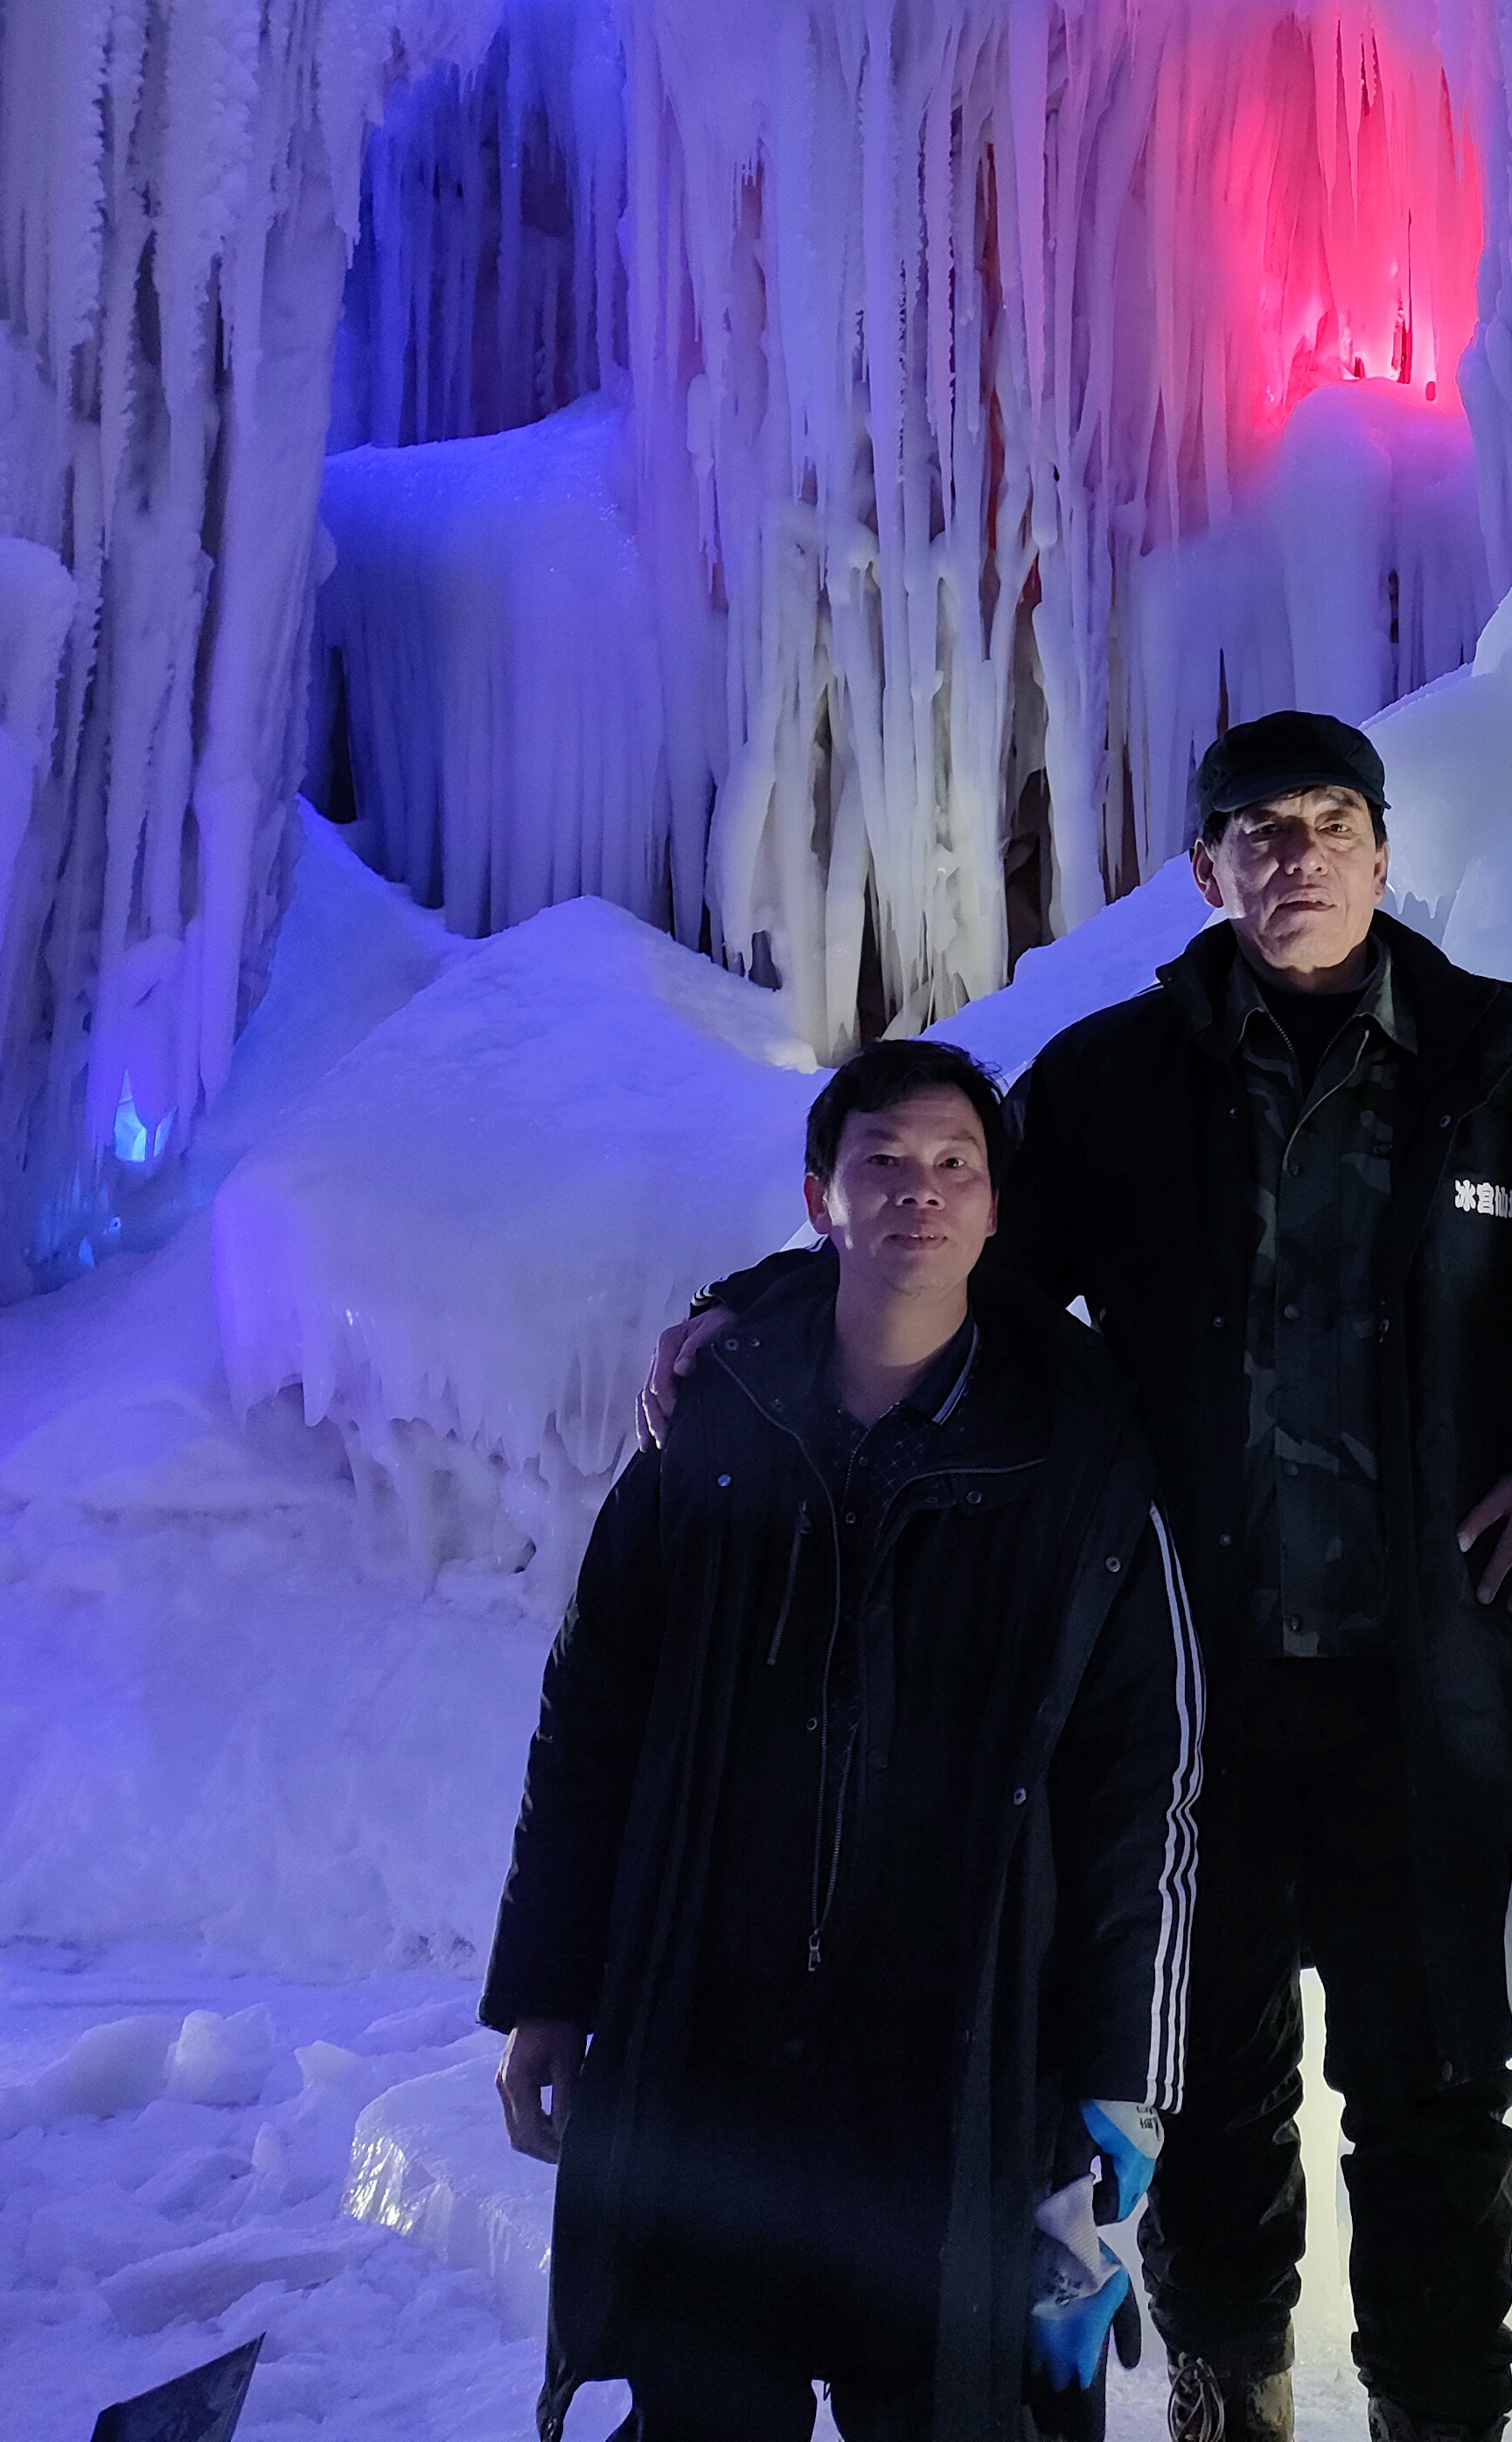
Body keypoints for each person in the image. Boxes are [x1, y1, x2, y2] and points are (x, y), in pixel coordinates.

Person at [651, 709, 1512, 2442]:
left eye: (1329, 824)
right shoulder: (1112, 1079)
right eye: (1255, 833)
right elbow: (947, 1244)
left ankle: (1439, 2415)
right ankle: (1222, 2394)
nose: (1295, 857)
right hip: (1192, 1689)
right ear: (1204, 873)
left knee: (1437, 2084)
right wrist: (765, 1302)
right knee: (1206, 2081)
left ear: (1384, 855)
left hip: (1429, 1677)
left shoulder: (1507, 1063)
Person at [483, 1039, 1203, 2442]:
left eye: (955, 1167)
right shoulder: (711, 1432)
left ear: (1000, 1211)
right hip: (714, 2033)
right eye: (881, 1163)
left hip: (959, 2047)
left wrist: (1127, 2076)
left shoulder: (1082, 1465)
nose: (917, 1195)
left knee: (947, 2404)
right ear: (820, 1197)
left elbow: (1148, 1784)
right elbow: (590, 1720)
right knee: (702, 2403)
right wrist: (548, 1986)